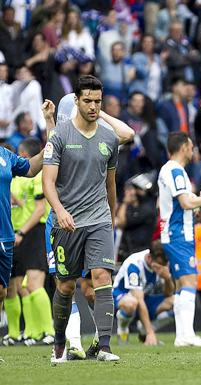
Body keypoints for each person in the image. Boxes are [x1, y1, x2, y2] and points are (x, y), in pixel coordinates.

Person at [42, 76, 127, 363]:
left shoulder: (109, 138)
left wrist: (111, 219)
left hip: (99, 219)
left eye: (97, 101)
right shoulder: (60, 136)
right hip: (68, 221)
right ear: (76, 101)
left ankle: (104, 346)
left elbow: (111, 185)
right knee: (65, 286)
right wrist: (60, 211)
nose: (93, 106)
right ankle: (58, 344)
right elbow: (48, 183)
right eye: (88, 100)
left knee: (102, 277)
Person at [0, 100, 51, 352]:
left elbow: (31, 168)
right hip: (16, 233)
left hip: (15, 235)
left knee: (10, 289)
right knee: (12, 289)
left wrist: (51, 130)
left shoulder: (6, 157)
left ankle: (42, 331)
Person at [157, 132, 201, 347]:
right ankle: (187, 335)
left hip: (174, 232)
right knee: (190, 280)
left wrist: (198, 199)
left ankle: (182, 336)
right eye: (191, 146)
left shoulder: (169, 170)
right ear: (183, 147)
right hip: (179, 234)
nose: (193, 150)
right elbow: (185, 203)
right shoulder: (175, 170)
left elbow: (180, 204)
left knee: (183, 283)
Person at [113, 240, 175, 346]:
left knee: (177, 302)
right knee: (131, 303)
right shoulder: (134, 264)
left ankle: (143, 330)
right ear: (150, 258)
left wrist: (167, 278)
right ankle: (123, 329)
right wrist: (150, 333)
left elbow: (168, 294)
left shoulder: (163, 262)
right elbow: (138, 299)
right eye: (160, 265)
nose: (162, 267)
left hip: (145, 298)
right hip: (122, 296)